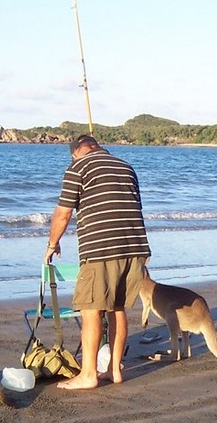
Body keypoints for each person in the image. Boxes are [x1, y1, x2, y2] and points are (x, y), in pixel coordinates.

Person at [44, 134, 151, 390]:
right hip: (134, 246)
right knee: (117, 308)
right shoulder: (126, 167)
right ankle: (114, 370)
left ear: (76, 152)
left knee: (91, 310)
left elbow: (63, 212)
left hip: (101, 248)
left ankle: (89, 374)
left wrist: (52, 244)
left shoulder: (78, 166)